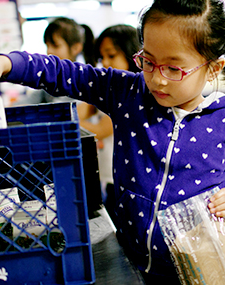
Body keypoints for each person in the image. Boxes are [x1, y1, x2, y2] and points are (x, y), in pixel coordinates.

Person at [0, 0, 225, 283]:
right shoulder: (128, 93)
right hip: (132, 261)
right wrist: (6, 64)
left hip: (200, 266)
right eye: (148, 61)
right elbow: (63, 72)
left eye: (174, 68)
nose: (157, 78)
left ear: (213, 67)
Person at [78, 24, 140, 224]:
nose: (105, 63)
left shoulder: (134, 94)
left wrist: (72, 123)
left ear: (133, 55)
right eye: (101, 57)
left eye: (111, 56)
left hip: (128, 185)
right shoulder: (110, 89)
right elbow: (81, 112)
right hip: (109, 179)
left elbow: (100, 130)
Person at [16, 17, 95, 105]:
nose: (49, 51)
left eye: (55, 46)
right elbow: (25, 103)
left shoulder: (85, 84)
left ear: (76, 48)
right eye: (47, 46)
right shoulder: (51, 81)